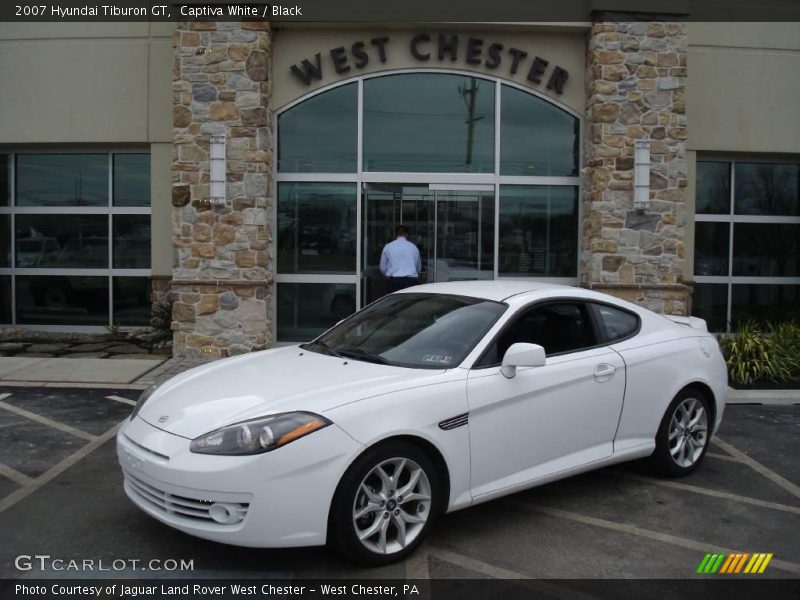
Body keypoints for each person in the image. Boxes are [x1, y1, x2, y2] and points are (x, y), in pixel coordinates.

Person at [379, 225, 422, 293]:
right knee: (410, 302)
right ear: (407, 234)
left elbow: (382, 267)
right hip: (410, 281)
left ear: (395, 234)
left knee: (394, 302)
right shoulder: (413, 247)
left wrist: (388, 276)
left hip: (394, 281)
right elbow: (418, 267)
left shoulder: (388, 247)